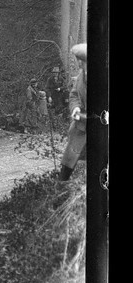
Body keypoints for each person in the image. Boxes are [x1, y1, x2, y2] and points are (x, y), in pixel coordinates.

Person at [59, 44, 87, 181]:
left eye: (82, 60)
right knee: (69, 162)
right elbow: (74, 94)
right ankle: (61, 186)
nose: (79, 63)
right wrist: (75, 108)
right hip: (80, 127)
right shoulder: (82, 76)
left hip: (102, 127)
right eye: (79, 60)